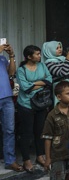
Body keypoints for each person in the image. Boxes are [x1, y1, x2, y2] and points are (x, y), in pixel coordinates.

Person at [16, 44, 53, 172]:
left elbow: (49, 80)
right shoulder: (21, 70)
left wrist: (33, 84)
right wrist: (40, 83)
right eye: (37, 54)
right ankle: (26, 160)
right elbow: (25, 88)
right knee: (27, 133)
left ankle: (40, 156)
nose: (39, 56)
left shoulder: (42, 66)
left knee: (40, 131)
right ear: (28, 56)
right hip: (26, 105)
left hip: (41, 103)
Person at [41, 80, 69, 180]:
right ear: (59, 97)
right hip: (58, 155)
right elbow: (47, 138)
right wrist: (48, 158)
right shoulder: (52, 115)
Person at [0, 40, 22, 172]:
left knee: (9, 130)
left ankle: (10, 160)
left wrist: (12, 56)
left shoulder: (2, 58)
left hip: (7, 98)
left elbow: (11, 73)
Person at [42, 40, 69, 107]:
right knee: (63, 106)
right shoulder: (49, 63)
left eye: (60, 47)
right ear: (50, 50)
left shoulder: (63, 59)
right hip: (60, 87)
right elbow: (63, 73)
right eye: (57, 48)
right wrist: (68, 58)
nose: (60, 49)